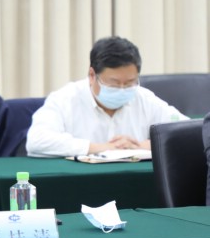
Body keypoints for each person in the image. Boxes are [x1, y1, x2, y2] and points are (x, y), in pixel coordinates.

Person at [26, 36, 189, 158]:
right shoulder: (65, 99)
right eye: (114, 84)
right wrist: (99, 148)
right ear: (92, 75)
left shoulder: (144, 98)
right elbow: (36, 140)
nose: (123, 89)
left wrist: (143, 145)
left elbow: (188, 133)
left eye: (130, 82)